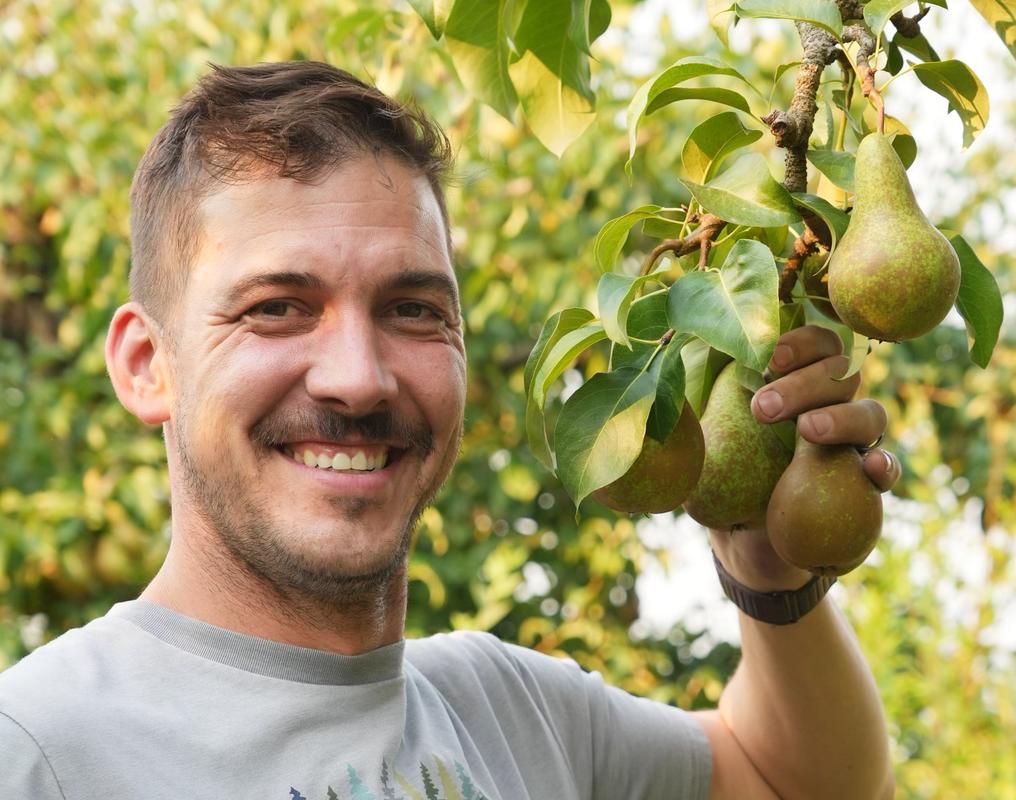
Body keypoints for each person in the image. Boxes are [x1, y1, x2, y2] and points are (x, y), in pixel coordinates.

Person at [0, 61, 900, 799]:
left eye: (413, 309)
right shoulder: (40, 750)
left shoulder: (513, 712)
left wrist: (764, 565)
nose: (357, 377)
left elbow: (797, 784)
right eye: (277, 308)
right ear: (145, 363)